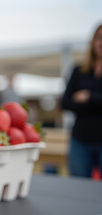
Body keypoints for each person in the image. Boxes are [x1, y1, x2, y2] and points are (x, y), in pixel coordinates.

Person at [61, 24, 102, 179]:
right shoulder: (78, 71)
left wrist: (88, 96)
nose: (101, 43)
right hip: (80, 139)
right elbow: (65, 102)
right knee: (78, 187)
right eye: (98, 38)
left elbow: (74, 102)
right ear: (93, 42)